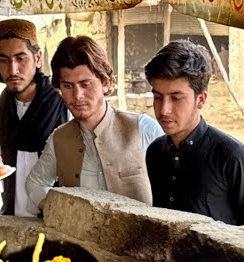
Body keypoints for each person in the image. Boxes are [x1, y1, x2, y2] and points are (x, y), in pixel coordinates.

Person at [143, 40, 244, 229]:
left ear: (201, 99)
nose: (164, 110)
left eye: (176, 98)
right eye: (157, 97)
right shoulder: (155, 152)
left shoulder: (233, 157)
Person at [25, 36, 161, 210]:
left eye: (85, 84)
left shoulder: (142, 128)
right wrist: (54, 209)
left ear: (106, 83)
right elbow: (35, 182)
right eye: (68, 86)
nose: (77, 95)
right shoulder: (59, 139)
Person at [0, 19, 69, 217]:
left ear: (38, 58)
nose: (13, 69)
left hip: (54, 222)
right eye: (4, 60)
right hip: (10, 218)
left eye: (21, 58)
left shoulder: (63, 107)